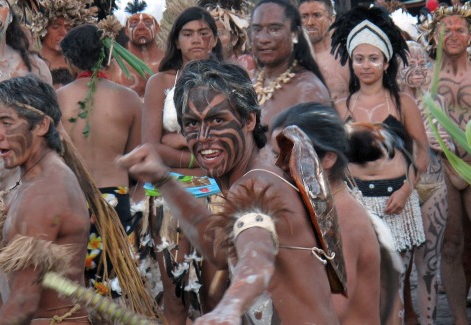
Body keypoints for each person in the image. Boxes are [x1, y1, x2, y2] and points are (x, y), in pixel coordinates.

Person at [118, 59, 342, 324]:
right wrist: (163, 180)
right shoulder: (264, 166)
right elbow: (219, 250)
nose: (203, 137)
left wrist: (231, 306)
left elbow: (255, 255)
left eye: (217, 120)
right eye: (191, 124)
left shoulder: (255, 185)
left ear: (249, 120)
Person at [331, 5, 430, 322]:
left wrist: (405, 191)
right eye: (359, 59)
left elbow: (422, 154)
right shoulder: (341, 107)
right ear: (351, 61)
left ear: (386, 61)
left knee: (392, 293)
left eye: (373, 58)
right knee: (360, 292)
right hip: (355, 207)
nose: (365, 66)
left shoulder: (404, 103)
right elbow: (330, 160)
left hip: (396, 204)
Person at [0, 75, 91, 324]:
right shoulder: (29, 179)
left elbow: (23, 302)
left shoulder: (44, 193)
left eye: (7, 122)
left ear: (41, 126)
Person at [141, 6, 223, 324]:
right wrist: (200, 156)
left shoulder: (227, 80)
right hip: (169, 195)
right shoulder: (159, 82)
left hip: (217, 194)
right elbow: (151, 147)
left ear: (215, 39)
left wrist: (176, 141)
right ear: (176, 41)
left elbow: (236, 141)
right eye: (188, 34)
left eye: (204, 33)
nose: (196, 40)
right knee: (175, 295)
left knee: (215, 297)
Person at [270, 102, 381, 325]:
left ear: (328, 159)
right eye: (273, 155)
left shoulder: (342, 216)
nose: (276, 166)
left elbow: (331, 310)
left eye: (287, 157)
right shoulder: (320, 206)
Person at [58, 23, 143, 295]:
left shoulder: (56, 99)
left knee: (70, 288)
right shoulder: (129, 99)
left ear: (69, 60)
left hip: (69, 199)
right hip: (115, 201)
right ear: (107, 55)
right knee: (112, 288)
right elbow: (135, 158)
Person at [0, 1, 51, 321]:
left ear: (11, 13)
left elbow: (52, 130)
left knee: (15, 284)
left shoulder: (32, 67)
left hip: (17, 190)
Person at [425, 4, 471, 324]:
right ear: (435, 34)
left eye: (460, 29)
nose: (453, 35)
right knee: (451, 244)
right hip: (441, 165)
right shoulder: (425, 75)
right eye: (446, 29)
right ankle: (458, 319)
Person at [398, 40, 450, 325]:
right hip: (403, 189)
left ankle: (428, 321)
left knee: (430, 265)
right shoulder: (390, 102)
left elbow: (450, 143)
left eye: (423, 64)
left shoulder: (436, 101)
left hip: (435, 185)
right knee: (399, 266)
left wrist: (441, 141)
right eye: (410, 64)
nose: (417, 70)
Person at [250, 0, 332, 129]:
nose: (263, 39)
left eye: (274, 29)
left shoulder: (308, 90)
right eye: (257, 29)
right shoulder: (251, 84)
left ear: (294, 34)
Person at [110, 0, 165, 97]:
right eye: (134, 22)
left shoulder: (170, 63)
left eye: (147, 22)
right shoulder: (114, 68)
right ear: (126, 30)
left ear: (157, 28)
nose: (141, 27)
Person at [298, 0, 350, 101]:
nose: (310, 23)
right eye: (304, 17)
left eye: (317, 15)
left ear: (331, 19)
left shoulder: (346, 56)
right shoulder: (289, 58)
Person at [30, 0, 97, 71]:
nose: (63, 32)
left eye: (69, 28)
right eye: (55, 27)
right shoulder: (30, 62)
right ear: (42, 29)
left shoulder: (77, 66)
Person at [199, 0, 256, 77]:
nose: (213, 39)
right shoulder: (193, 70)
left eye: (220, 33)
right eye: (206, 33)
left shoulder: (244, 72)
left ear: (234, 39)